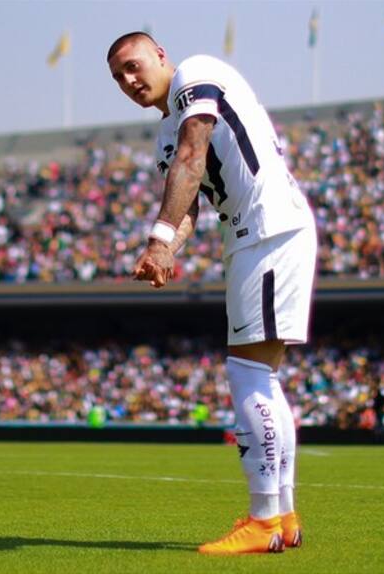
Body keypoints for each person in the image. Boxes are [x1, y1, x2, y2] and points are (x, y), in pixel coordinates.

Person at [108, 32, 317, 554]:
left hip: (266, 229)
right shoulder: (164, 132)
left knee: (246, 372)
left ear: (160, 55)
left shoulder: (194, 74)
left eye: (134, 66)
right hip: (257, 234)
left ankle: (264, 518)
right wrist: (168, 249)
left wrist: (157, 239)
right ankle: (284, 515)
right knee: (261, 375)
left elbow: (193, 154)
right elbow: (192, 207)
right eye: (118, 77)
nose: (130, 81)